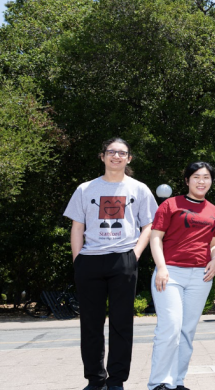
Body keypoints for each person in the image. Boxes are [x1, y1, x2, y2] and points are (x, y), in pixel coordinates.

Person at [65, 137, 156, 390]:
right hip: (89, 260)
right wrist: (78, 260)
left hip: (123, 259)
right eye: (111, 152)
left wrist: (135, 254)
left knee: (122, 323)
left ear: (129, 158)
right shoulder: (85, 189)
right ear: (102, 156)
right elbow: (77, 227)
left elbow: (149, 224)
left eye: (122, 153)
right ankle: (95, 380)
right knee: (90, 325)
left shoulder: (139, 189)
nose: (116, 156)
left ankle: (116, 381)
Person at [148, 162, 215, 390]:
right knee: (170, 327)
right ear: (187, 180)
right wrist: (161, 267)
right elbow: (155, 237)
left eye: (206, 177)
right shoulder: (170, 204)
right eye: (196, 176)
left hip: (200, 277)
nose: (201, 181)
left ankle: (176, 381)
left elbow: (214, 243)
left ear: (211, 181)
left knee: (187, 331)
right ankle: (158, 382)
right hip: (170, 273)